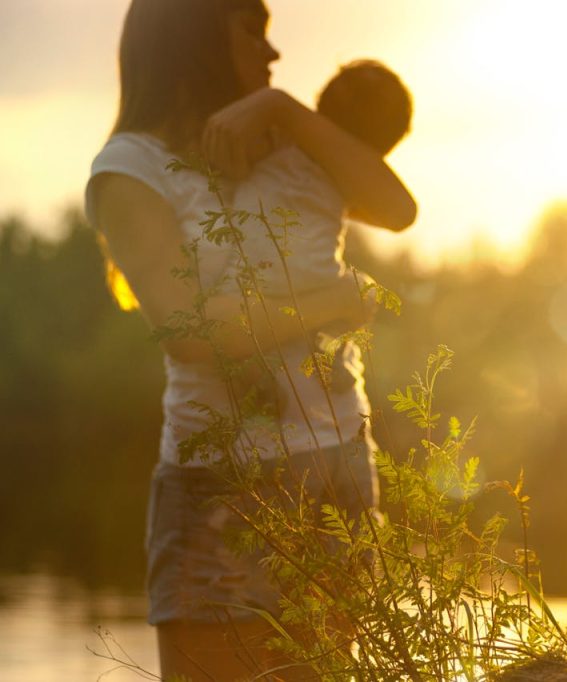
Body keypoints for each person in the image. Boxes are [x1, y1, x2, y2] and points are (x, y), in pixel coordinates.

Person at [84, 0, 416, 679]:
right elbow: (193, 335)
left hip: (335, 457)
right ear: (195, 37)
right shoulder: (131, 166)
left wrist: (289, 111)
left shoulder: (279, 142)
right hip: (221, 482)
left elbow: (397, 208)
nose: (273, 56)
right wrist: (343, 297)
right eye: (252, 32)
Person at [228, 59, 413, 444]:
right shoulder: (346, 176)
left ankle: (255, 376)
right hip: (315, 283)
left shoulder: (276, 136)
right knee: (356, 293)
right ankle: (328, 357)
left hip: (252, 275)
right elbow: (399, 210)